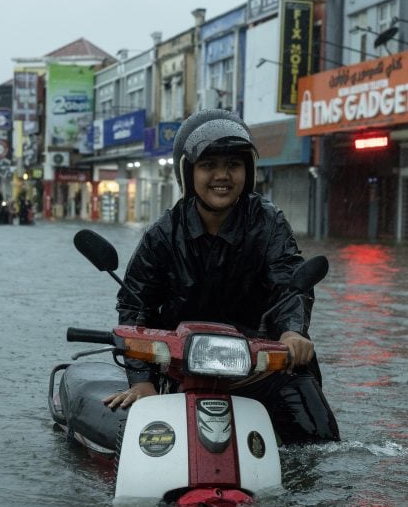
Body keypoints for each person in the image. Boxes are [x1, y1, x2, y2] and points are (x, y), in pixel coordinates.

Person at [103, 109, 339, 445]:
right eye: (208, 165)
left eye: (233, 165)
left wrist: (292, 332)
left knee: (320, 437)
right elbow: (134, 305)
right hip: (181, 368)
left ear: (248, 170)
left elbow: (290, 284)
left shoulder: (269, 222)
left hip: (259, 369)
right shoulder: (162, 234)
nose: (222, 175)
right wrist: (141, 380)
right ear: (188, 172)